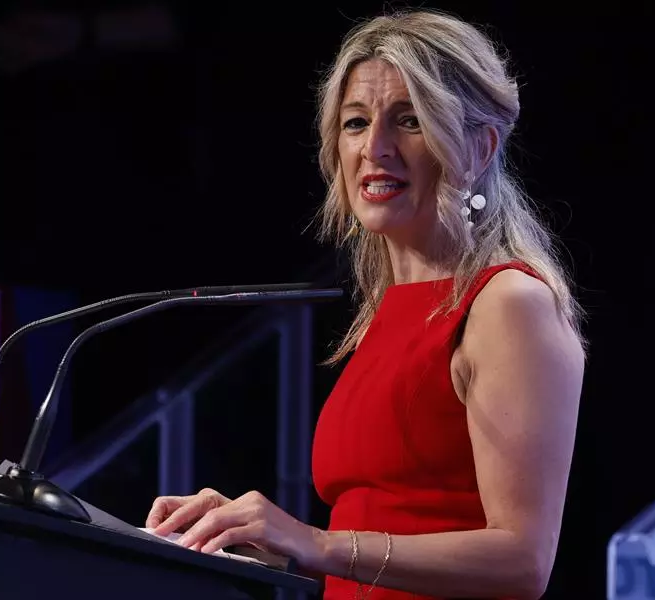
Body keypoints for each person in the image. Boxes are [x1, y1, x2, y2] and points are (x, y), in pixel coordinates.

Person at [145, 9, 586, 600]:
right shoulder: (389, 311)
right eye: (356, 123)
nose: (375, 148)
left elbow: (521, 561)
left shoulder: (508, 303)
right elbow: (377, 541)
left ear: (479, 146)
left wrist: (313, 540)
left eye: (410, 121)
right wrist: (266, 543)